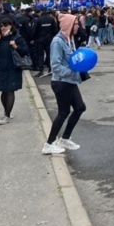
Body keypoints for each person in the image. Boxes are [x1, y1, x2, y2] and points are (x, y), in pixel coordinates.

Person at [41, 14, 88, 155]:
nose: (77, 27)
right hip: (61, 82)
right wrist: (73, 71)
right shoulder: (57, 42)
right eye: (75, 24)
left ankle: (65, 138)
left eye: (78, 24)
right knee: (63, 112)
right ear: (68, 25)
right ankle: (48, 144)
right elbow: (55, 66)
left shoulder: (70, 40)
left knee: (80, 107)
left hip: (70, 81)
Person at [0, 16, 29, 125]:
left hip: (13, 68)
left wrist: (16, 46)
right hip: (0, 68)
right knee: (3, 91)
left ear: (11, 26)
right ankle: (6, 110)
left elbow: (25, 51)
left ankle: (7, 115)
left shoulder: (17, 37)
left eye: (5, 25)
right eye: (1, 26)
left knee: (10, 90)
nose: (3, 28)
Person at [33, 8, 58, 78]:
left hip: (40, 40)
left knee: (40, 55)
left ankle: (41, 71)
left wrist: (34, 38)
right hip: (49, 40)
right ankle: (50, 69)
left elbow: (35, 30)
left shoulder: (38, 19)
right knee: (50, 54)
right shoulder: (51, 19)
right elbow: (55, 30)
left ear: (41, 12)